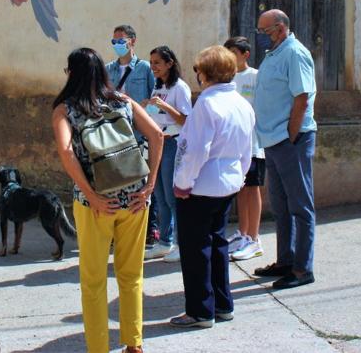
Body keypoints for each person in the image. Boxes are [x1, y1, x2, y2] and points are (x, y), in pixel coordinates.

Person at [52, 47, 164, 353]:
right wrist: (150, 185)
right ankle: (134, 344)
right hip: (136, 198)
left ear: (71, 74)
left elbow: (66, 151)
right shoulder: (123, 101)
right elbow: (157, 135)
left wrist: (92, 196)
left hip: (95, 205)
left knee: (93, 281)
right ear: (103, 72)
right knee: (131, 276)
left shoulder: (65, 109)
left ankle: (99, 348)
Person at [170, 45, 255, 328]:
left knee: (195, 250)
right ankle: (222, 304)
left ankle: (200, 310)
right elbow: (247, 149)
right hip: (228, 184)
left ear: (205, 73)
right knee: (217, 244)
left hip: (201, 186)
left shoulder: (206, 104)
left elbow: (195, 150)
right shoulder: (242, 103)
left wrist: (183, 183)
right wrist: (240, 177)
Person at [251, 9, 318, 290]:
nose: (262, 37)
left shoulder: (294, 53)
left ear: (279, 28)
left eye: (265, 31)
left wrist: (291, 134)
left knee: (300, 206)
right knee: (281, 205)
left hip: (291, 140)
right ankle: (286, 260)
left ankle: (303, 269)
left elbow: (302, 97)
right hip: (273, 141)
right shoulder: (275, 53)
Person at [105, 25, 159, 247]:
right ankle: (117, 226)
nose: (118, 45)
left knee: (144, 180)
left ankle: (150, 227)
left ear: (132, 42)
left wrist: (146, 108)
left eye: (121, 41)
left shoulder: (145, 68)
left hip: (139, 134)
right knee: (117, 179)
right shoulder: (108, 69)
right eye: (114, 41)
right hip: (116, 134)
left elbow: (154, 95)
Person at [141, 46, 191, 263]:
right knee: (159, 195)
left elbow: (185, 120)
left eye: (157, 63)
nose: (153, 67)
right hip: (156, 143)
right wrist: (146, 107)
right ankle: (164, 242)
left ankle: (182, 243)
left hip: (172, 143)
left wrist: (164, 106)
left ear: (169, 63)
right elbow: (157, 115)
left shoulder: (180, 88)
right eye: (151, 63)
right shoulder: (158, 86)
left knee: (172, 197)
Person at [223, 36, 264, 261]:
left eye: (234, 54)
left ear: (245, 54)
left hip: (253, 143)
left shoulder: (256, 77)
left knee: (252, 188)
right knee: (240, 188)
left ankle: (254, 238)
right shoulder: (226, 79)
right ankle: (243, 232)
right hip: (233, 145)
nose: (230, 58)